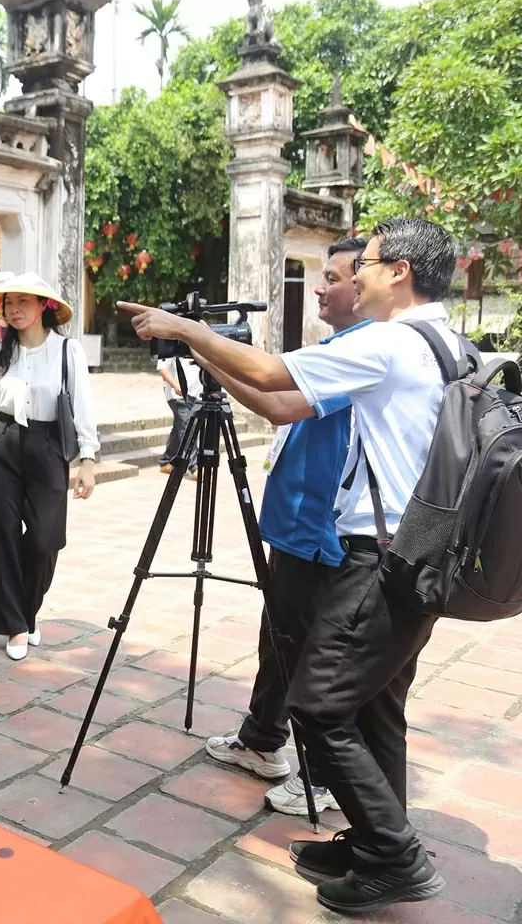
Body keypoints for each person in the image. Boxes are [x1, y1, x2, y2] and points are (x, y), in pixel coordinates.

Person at [120, 217, 463, 914]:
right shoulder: (446, 343)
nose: (353, 277)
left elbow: (274, 375)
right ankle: (373, 847)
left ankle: (394, 857)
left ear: (399, 271)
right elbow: (283, 404)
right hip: (422, 553)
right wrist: (218, 356)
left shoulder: (390, 341)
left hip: (378, 556)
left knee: (318, 706)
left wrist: (185, 331)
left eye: (361, 265)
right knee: (375, 711)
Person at [196, 237, 369, 817]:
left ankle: (322, 775)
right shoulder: (340, 345)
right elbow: (276, 396)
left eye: (334, 277)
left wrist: (201, 345)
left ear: (366, 286)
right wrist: (210, 362)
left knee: (314, 655)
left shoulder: (363, 353)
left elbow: (276, 401)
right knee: (280, 637)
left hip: (325, 530)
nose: (320, 286)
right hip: (295, 526)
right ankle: (262, 740)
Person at [0, 273, 98, 661]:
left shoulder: (67, 351)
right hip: (3, 446)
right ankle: (16, 625)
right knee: (1, 535)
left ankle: (27, 607)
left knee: (45, 538)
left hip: (49, 445)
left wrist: (87, 458)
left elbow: (84, 405)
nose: (15, 309)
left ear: (44, 306)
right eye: (9, 303)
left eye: (24, 301)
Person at [156, 352, 199, 477]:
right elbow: (162, 368)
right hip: (178, 395)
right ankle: (194, 467)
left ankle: (166, 460)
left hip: (195, 394)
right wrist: (175, 385)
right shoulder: (171, 342)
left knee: (180, 426)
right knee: (187, 428)